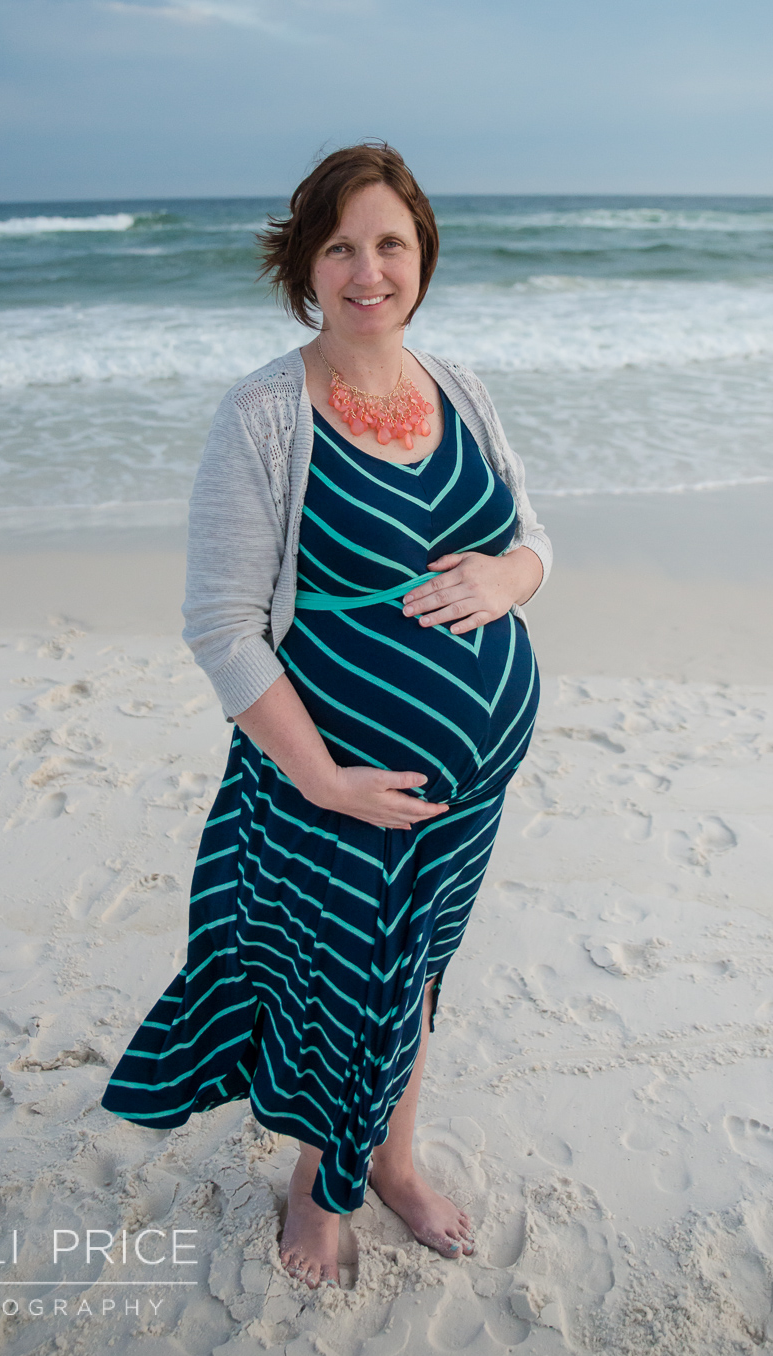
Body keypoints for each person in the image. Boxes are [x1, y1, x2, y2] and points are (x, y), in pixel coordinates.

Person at [101, 142, 550, 1289]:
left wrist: (511, 580)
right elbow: (221, 628)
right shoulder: (262, 414)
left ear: (422, 256)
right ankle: (316, 1184)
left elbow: (532, 536)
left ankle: (392, 1164)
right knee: (337, 989)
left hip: (466, 792)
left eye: (390, 243)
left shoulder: (461, 389)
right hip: (331, 787)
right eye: (341, 246)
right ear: (305, 265)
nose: (369, 269)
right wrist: (323, 779)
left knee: (418, 976)